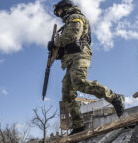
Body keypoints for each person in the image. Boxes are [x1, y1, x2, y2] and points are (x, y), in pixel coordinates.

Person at [49, 0, 124, 135]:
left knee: (79, 82)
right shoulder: (65, 24)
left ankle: (114, 97)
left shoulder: (76, 17)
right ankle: (78, 125)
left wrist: (55, 42)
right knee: (67, 93)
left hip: (80, 55)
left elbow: (73, 35)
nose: (59, 14)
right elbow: (64, 48)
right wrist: (54, 48)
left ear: (65, 8)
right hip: (70, 60)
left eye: (59, 11)